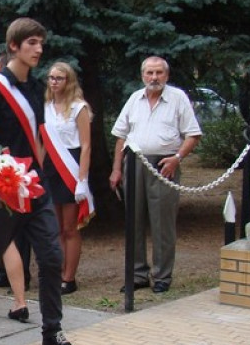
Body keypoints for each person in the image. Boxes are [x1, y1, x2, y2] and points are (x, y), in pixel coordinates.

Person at [0, 17, 85, 345]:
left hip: (34, 187)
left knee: (51, 257)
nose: (39, 49)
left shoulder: (36, 88)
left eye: (41, 43)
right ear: (13, 47)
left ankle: (52, 332)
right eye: (32, 43)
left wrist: (36, 172)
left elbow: (36, 136)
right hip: (5, 191)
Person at [109, 56, 202, 293]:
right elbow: (121, 135)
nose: (154, 77)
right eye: (150, 73)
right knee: (134, 220)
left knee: (162, 222)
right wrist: (117, 168)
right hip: (135, 163)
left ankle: (161, 275)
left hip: (164, 165)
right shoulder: (134, 99)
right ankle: (137, 273)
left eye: (159, 73)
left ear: (166, 75)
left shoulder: (177, 98)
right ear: (143, 75)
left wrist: (177, 158)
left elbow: (193, 135)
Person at [42, 61, 93, 295]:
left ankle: (69, 277)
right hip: (50, 167)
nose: (54, 82)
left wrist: (82, 179)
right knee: (55, 227)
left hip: (71, 166)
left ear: (68, 80)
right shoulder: (45, 106)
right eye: (51, 77)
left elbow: (85, 146)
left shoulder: (78, 107)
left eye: (59, 78)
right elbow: (42, 143)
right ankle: (58, 272)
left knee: (70, 228)